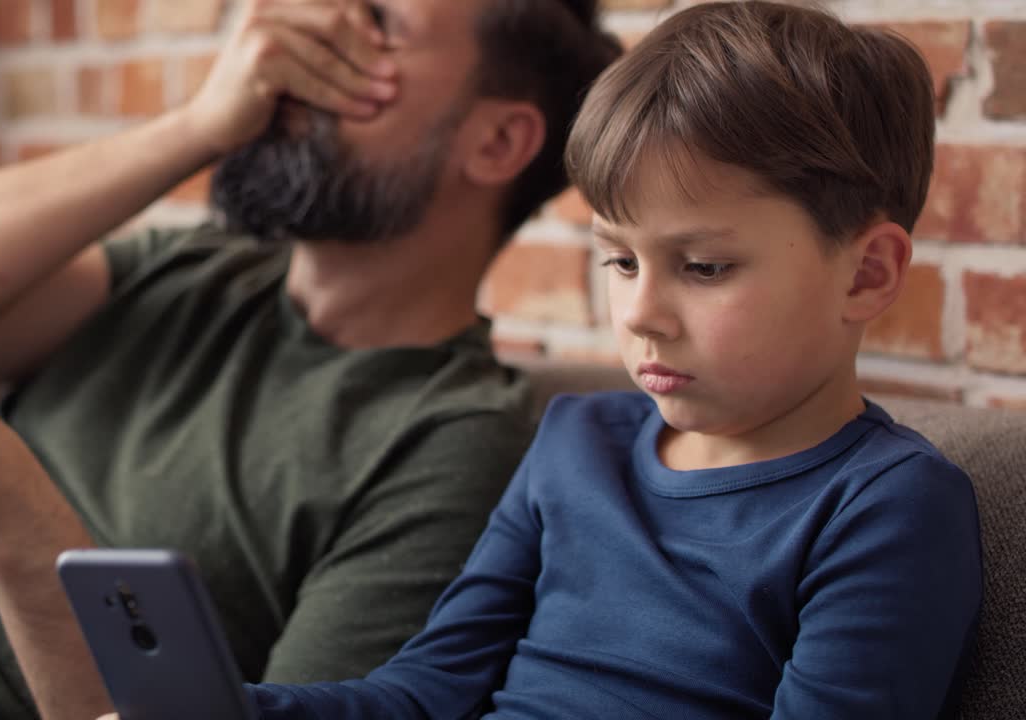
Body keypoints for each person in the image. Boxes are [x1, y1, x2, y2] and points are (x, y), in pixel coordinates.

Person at [78, 2, 981, 718]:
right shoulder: (576, 441)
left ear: (867, 273)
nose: (641, 314)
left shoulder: (886, 504)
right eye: (620, 260)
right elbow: (422, 694)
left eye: (703, 268)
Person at [0, 1, 620, 719]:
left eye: (375, 25)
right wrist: (197, 125)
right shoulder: (198, 266)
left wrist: (16, 532)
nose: (298, 40)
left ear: (498, 144)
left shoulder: (452, 442)